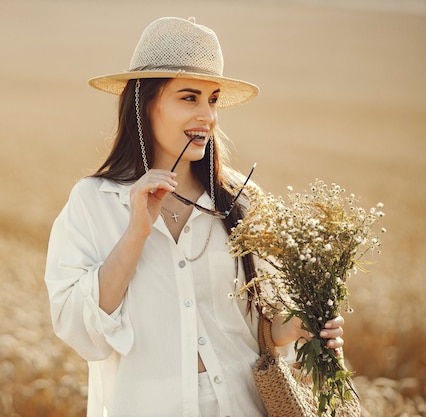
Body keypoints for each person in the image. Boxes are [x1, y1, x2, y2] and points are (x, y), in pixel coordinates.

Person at [44, 16, 345, 417]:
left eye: (214, 99)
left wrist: (291, 329)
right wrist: (136, 232)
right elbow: (81, 332)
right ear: (143, 102)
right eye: (189, 97)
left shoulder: (244, 200)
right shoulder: (93, 202)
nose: (208, 116)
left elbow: (259, 326)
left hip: (243, 406)